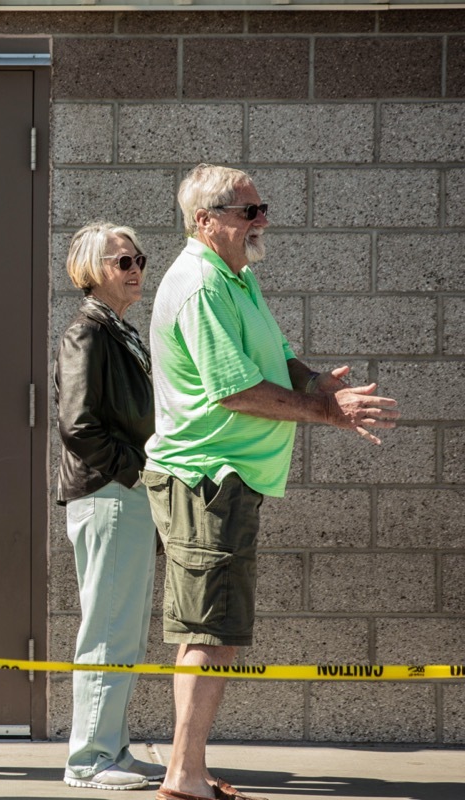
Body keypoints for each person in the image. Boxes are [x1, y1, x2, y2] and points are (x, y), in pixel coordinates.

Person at [144, 164, 400, 800]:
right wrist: (324, 413)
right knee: (211, 633)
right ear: (205, 222)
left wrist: (315, 382)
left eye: (262, 209)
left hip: (224, 481)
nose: (261, 222)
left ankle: (190, 768)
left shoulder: (237, 277)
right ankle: (182, 775)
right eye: (246, 212)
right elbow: (233, 390)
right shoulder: (202, 285)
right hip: (208, 480)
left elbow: (274, 358)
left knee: (211, 632)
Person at [54, 222, 165, 791]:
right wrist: (137, 471)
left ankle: (113, 747)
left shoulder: (120, 331)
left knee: (123, 631)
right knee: (106, 629)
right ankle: (89, 761)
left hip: (126, 494)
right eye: (123, 262)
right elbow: (79, 425)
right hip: (109, 494)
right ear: (95, 270)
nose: (136, 269)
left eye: (139, 259)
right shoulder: (87, 334)